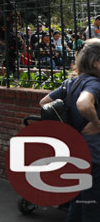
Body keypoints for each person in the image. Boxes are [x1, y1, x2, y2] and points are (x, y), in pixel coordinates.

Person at [40, 38, 100, 221]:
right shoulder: (94, 83)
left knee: (78, 202)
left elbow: (44, 103)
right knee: (92, 208)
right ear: (96, 63)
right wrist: (97, 123)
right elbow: (83, 104)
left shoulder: (70, 83)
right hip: (93, 156)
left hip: (74, 153)